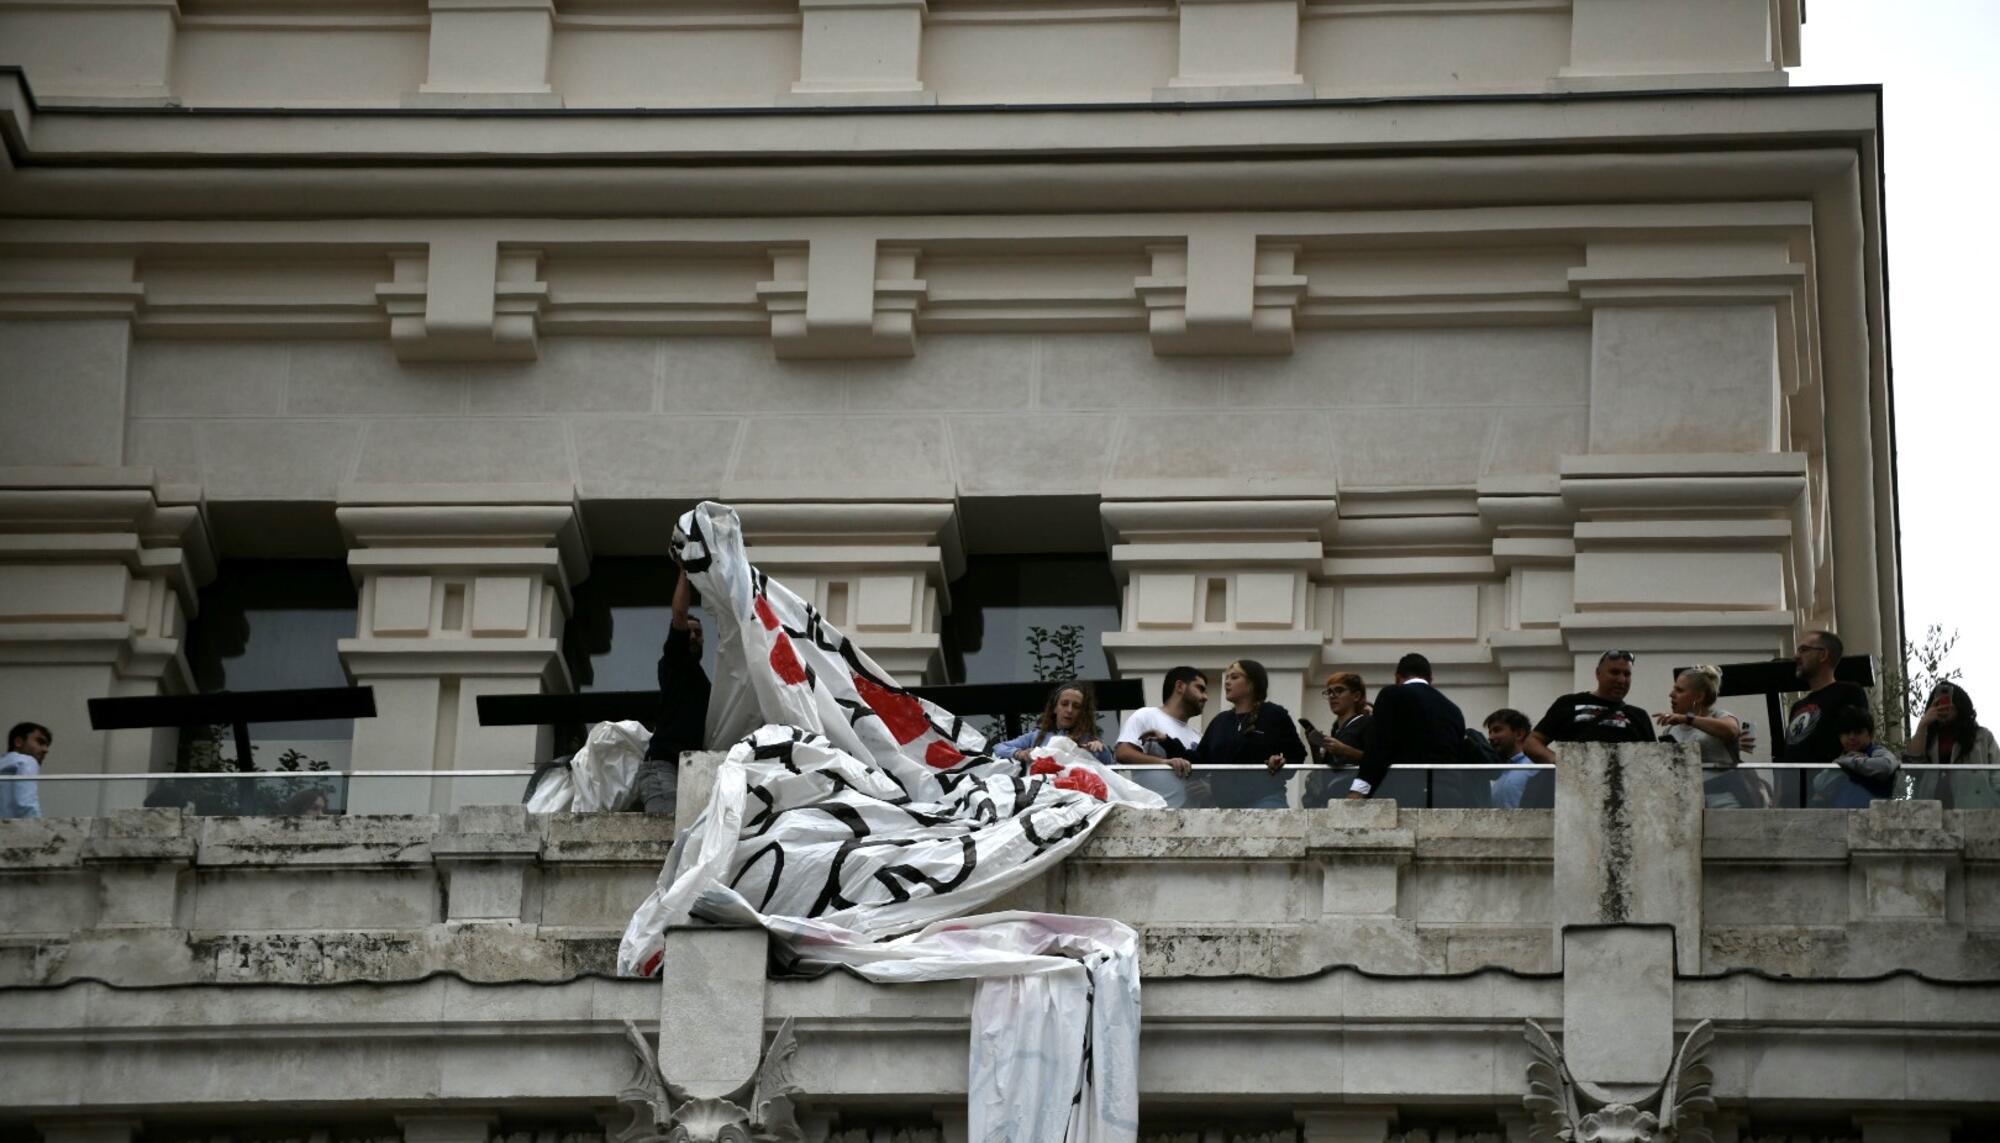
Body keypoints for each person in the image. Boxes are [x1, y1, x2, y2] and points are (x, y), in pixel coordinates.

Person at [1156, 660, 1304, 808]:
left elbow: (1297, 754)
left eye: (1234, 677)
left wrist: (1280, 763)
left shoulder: (1274, 714)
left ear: (1252, 683)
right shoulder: (1220, 721)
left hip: (1265, 801)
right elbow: (1200, 764)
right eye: (1226, 678)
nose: (1227, 682)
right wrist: (1166, 741)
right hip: (1225, 807)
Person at [637, 569, 712, 816]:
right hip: (663, 769)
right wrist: (684, 570)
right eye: (688, 631)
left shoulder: (702, 682)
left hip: (689, 771)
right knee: (668, 837)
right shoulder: (675, 660)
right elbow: (679, 613)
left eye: (698, 633)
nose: (692, 636)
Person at [1355, 654, 1465, 803]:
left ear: (1397, 677)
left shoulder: (1392, 694)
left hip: (1407, 792)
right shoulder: (1454, 710)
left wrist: (1359, 790)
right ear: (1430, 680)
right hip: (1450, 795)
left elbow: (1378, 746)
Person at [1655, 665, 1768, 808]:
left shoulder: (1719, 716)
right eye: (1674, 689)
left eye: (1679, 690)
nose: (1671, 694)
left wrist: (1687, 718)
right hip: (1690, 805)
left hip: (1725, 802)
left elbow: (1731, 730)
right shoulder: (1671, 729)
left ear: (1699, 696)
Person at [1112, 666, 1208, 808]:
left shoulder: (1197, 736)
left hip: (1189, 821)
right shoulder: (1147, 715)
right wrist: (1164, 762)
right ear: (1180, 686)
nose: (1205, 697)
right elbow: (1123, 753)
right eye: (1200, 688)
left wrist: (1208, 789)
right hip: (1150, 816)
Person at [1906, 682, 2000, 809]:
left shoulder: (1982, 736)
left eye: (1949, 700)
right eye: (1939, 702)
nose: (1945, 706)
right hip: (1931, 813)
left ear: (1960, 705)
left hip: (1974, 812)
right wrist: (1923, 724)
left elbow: (1997, 776)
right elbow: (1912, 767)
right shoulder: (1927, 737)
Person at [995, 681, 1115, 767]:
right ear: (1055, 708)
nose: (1069, 710)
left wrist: (1100, 750)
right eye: (1064, 704)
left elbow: (1109, 766)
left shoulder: (1088, 740)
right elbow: (999, 748)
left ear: (1082, 713)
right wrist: (1019, 753)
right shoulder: (1036, 736)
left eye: (1076, 706)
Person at [1301, 672, 1370, 806]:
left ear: (1356, 696)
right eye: (1329, 692)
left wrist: (1345, 750)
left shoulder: (1366, 723)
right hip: (1331, 798)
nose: (1333, 696)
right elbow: (1325, 770)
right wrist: (1315, 748)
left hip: (1354, 797)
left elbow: (1375, 759)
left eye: (1339, 690)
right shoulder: (1337, 730)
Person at [1809, 706, 1899, 808]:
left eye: (1858, 732)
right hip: (1840, 818)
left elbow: (1885, 766)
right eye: (1847, 733)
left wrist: (1854, 761)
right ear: (1839, 736)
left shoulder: (1878, 752)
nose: (1851, 737)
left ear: (1870, 734)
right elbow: (1819, 785)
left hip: (1874, 817)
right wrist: (1845, 761)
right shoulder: (1842, 759)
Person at [1483, 708, 1536, 809]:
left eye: (1497, 730)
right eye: (1490, 732)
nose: (1491, 737)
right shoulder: (1497, 771)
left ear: (1519, 734)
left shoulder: (1537, 767)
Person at [1, 721, 50, 820]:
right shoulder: (26, 760)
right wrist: (39, 829)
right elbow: (25, 804)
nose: (46, 749)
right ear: (18, 742)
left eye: (47, 745)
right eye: (40, 742)